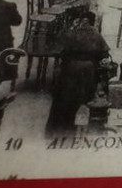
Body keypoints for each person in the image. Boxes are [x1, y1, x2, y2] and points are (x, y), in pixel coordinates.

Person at [45, 9, 109, 137]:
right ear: (92, 22)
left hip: (70, 71)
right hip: (89, 72)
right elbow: (104, 54)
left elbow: (59, 52)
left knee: (64, 102)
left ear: (80, 21)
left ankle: (61, 130)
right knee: (88, 100)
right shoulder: (96, 35)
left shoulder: (71, 33)